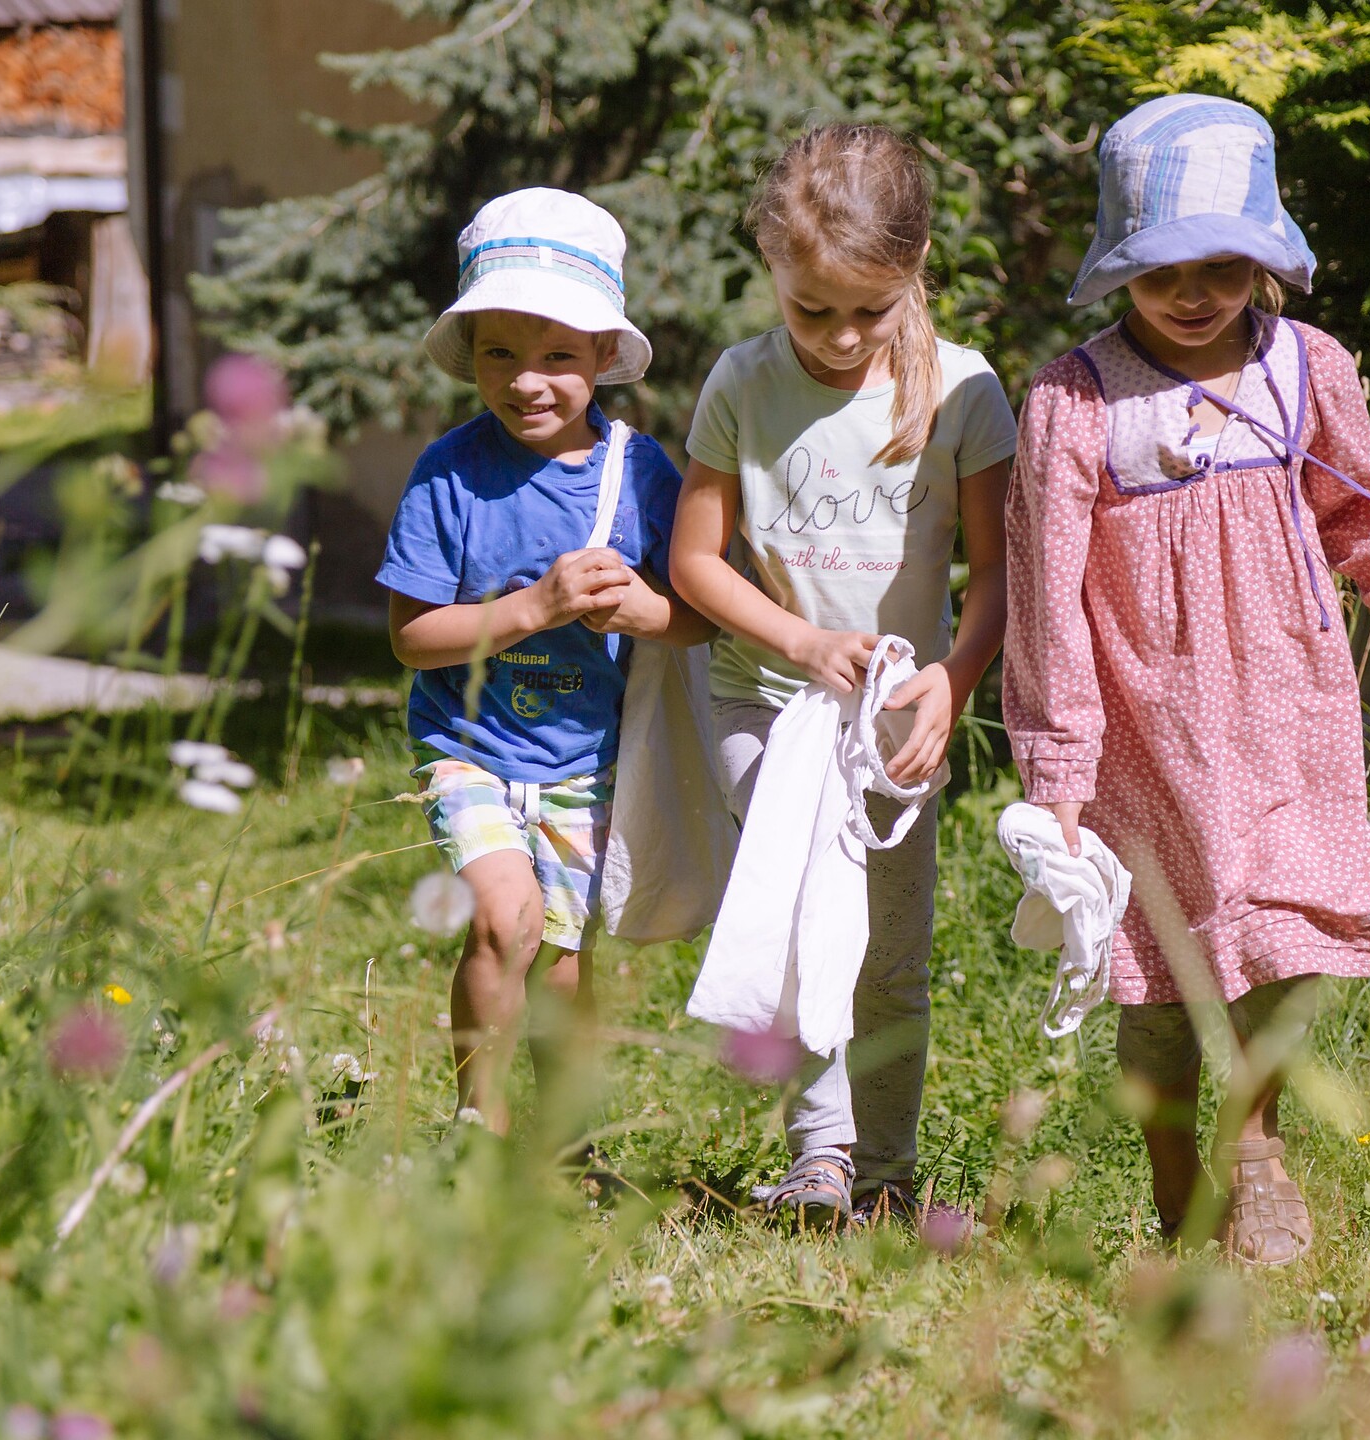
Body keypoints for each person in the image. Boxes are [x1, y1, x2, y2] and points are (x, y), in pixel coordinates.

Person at [1003, 95, 1370, 1263]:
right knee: (1159, 973)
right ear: (1122, 262)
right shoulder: (1076, 401)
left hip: (1286, 710)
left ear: (1264, 256)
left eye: (1225, 262)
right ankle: (1178, 1196)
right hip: (1142, 725)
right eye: (1164, 265)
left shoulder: (1306, 368)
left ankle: (1253, 1143)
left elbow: (1350, 513)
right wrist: (1060, 757)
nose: (1195, 291)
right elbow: (1045, 591)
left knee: (1291, 935)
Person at [670, 124, 1017, 1226]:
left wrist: (954, 681)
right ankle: (821, 1154)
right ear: (771, 273)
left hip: (896, 722)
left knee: (890, 957)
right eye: (808, 309)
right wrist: (802, 644)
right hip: (762, 706)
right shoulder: (743, 382)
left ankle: (888, 1170)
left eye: (868, 309)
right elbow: (693, 562)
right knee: (813, 914)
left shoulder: (961, 392)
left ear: (915, 271)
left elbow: (999, 574)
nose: (837, 335)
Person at [378, 188, 710, 1135]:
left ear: (606, 357)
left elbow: (695, 617)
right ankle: (475, 1124)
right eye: (501, 355)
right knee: (503, 921)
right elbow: (411, 636)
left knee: (563, 964)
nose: (528, 382)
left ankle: (569, 1137)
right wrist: (537, 606)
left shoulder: (640, 476)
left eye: (559, 356)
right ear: (471, 352)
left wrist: (642, 608)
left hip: (581, 764)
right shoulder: (450, 471)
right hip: (469, 745)